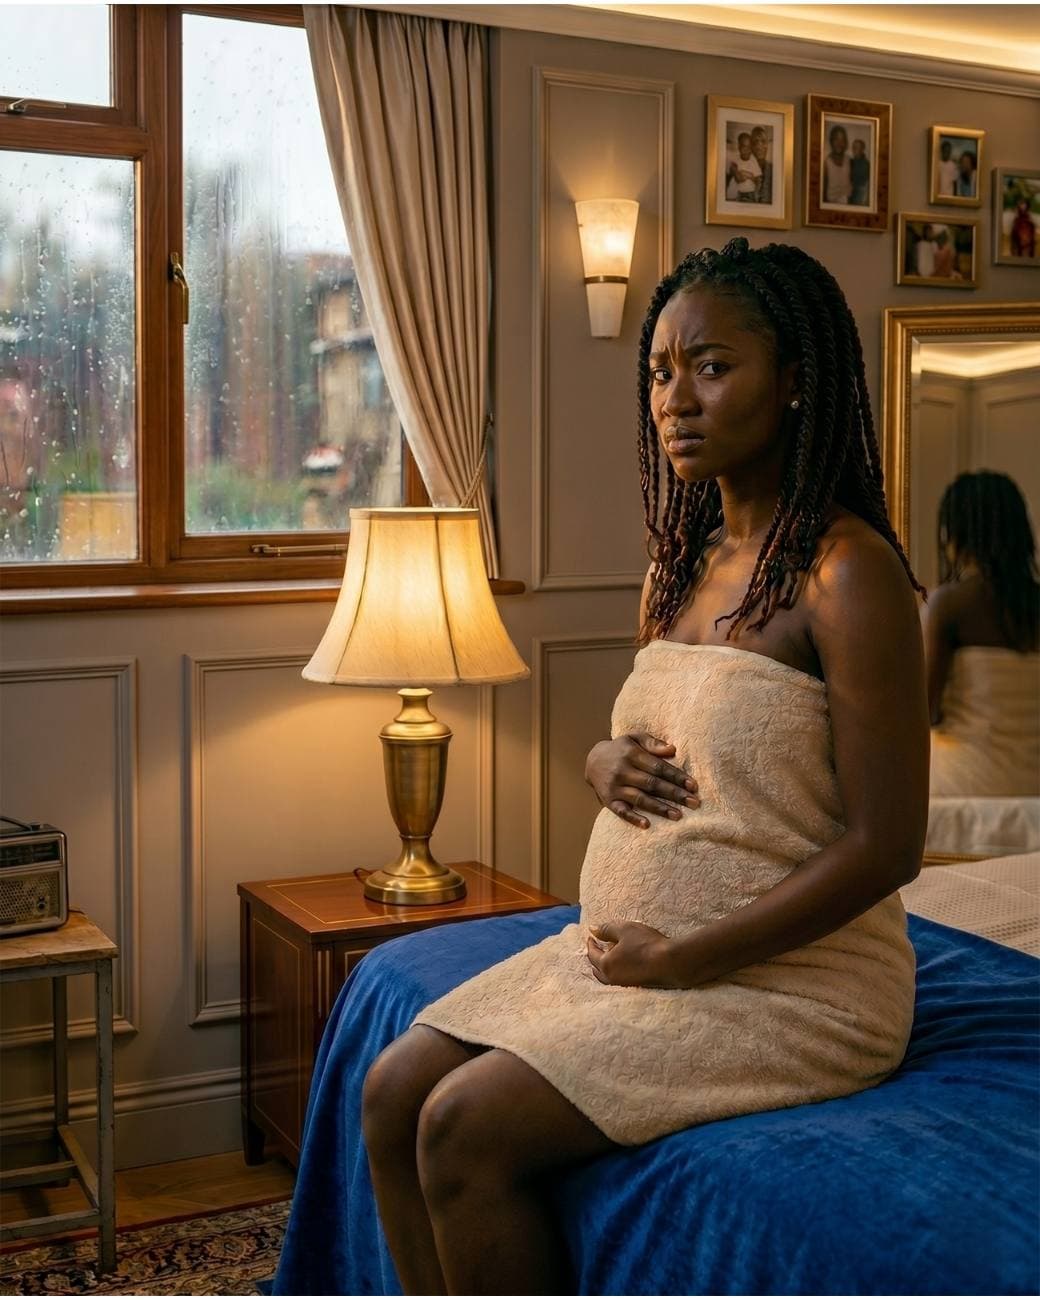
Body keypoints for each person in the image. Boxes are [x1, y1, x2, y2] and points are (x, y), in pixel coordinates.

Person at [359, 238, 928, 1297]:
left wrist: (687, 957)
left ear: (796, 381)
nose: (675, 398)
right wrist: (597, 757)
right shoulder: (679, 566)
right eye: (660, 372)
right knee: (392, 1089)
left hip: (790, 988)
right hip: (637, 956)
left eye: (711, 366)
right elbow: (673, 731)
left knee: (462, 1125)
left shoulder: (850, 575)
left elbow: (885, 843)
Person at [925, 470, 1040, 797]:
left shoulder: (950, 604)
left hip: (965, 784)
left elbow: (924, 711)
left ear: (955, 533)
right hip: (1034, 786)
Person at [726, 131, 761, 201]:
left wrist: (750, 176)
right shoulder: (735, 159)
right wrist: (738, 173)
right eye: (744, 146)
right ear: (739, 147)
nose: (747, 150)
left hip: (750, 192)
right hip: (738, 193)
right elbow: (738, 179)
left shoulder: (753, 160)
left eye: (749, 147)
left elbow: (758, 179)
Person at [823, 123, 852, 204]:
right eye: (836, 139)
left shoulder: (849, 160)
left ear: (845, 142)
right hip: (831, 202)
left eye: (842, 140)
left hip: (848, 202)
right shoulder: (826, 162)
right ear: (831, 141)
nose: (839, 143)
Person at [750, 126, 773, 204]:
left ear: (767, 145)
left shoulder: (774, 170)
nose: (759, 146)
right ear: (751, 147)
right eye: (755, 142)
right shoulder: (742, 169)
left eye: (763, 141)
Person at [849, 137, 870, 206]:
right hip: (849, 193)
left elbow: (864, 184)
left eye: (857, 148)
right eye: (853, 147)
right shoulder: (850, 162)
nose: (854, 150)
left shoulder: (866, 165)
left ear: (862, 149)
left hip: (860, 195)